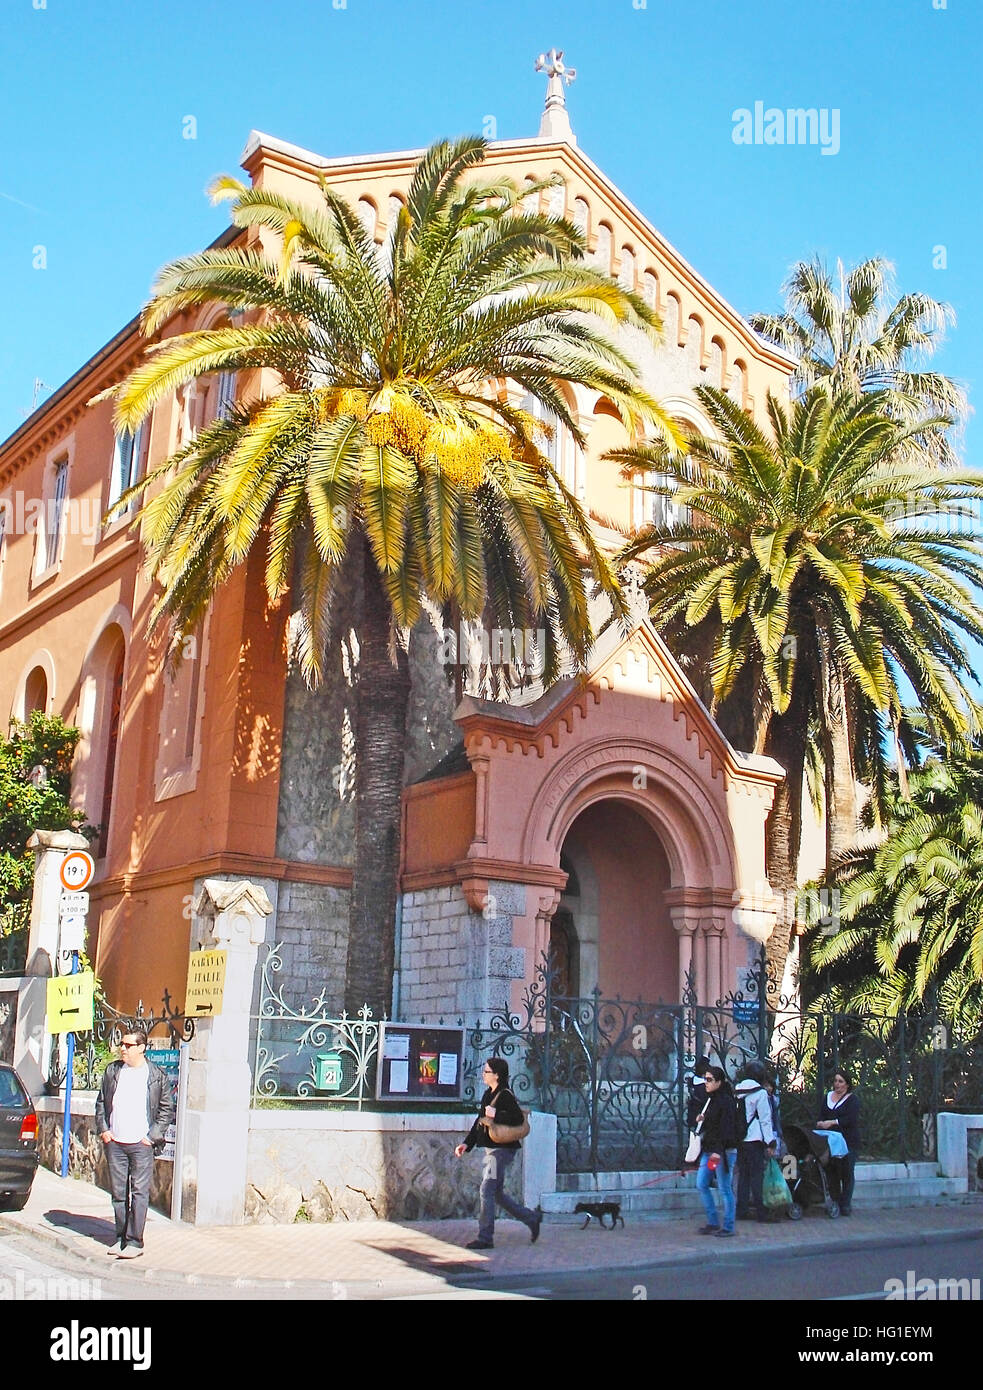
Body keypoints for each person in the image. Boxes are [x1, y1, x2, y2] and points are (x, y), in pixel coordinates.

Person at [95, 1030, 176, 1258]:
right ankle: (120, 1237)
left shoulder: (155, 1075)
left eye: (128, 1045)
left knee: (139, 1193)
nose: (123, 1048)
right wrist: (104, 1130)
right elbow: (101, 1102)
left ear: (141, 1047)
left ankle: (135, 1242)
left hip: (141, 1144)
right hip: (116, 1142)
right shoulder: (113, 1071)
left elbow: (166, 1109)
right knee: (119, 1194)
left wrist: (151, 1137)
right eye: (121, 1044)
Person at [454, 1057, 542, 1250]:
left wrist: (497, 1115)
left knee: (486, 1190)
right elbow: (480, 1121)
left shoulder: (505, 1095)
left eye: (486, 1072)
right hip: (492, 1148)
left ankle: (485, 1238)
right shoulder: (488, 1094)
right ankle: (532, 1218)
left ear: (497, 1075)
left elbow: (517, 1117)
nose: (483, 1075)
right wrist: (466, 1144)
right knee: (498, 1194)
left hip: (501, 1150)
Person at [695, 1065, 738, 1237]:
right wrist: (700, 1119)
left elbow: (727, 1129)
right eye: (705, 1079)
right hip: (710, 1150)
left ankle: (728, 1226)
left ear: (719, 1082)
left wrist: (718, 1151)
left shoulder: (726, 1101)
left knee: (724, 1188)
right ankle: (713, 1222)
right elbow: (711, 1125)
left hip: (723, 1151)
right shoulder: (710, 1099)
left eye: (710, 1079)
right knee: (701, 1183)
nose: (706, 1082)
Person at [734, 1061, 776, 1223]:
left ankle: (742, 1209)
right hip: (755, 1139)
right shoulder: (760, 1093)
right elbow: (765, 1119)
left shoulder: (737, 1089)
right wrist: (770, 1142)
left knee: (743, 1175)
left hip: (740, 1139)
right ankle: (761, 1212)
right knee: (757, 1176)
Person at [816, 1068, 860, 1215]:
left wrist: (833, 1122)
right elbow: (821, 1115)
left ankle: (845, 1203)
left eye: (840, 1081)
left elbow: (850, 1119)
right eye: (835, 1081)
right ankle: (835, 1201)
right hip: (830, 1142)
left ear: (847, 1084)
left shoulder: (852, 1100)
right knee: (832, 1172)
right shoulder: (827, 1097)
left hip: (848, 1141)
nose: (837, 1084)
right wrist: (821, 1123)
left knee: (847, 1172)